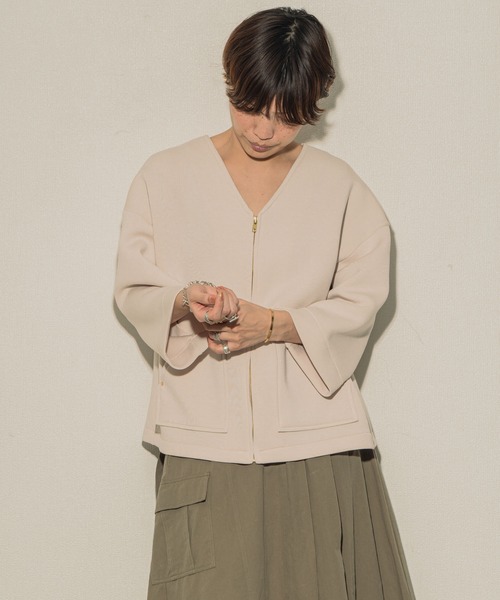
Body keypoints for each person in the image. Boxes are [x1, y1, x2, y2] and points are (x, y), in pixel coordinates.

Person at [114, 7, 415, 600]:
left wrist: (276, 325)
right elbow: (134, 287)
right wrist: (185, 302)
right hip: (202, 437)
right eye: (250, 106)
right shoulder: (164, 176)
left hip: (316, 440)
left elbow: (363, 298)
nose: (263, 130)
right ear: (230, 81)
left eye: (287, 116)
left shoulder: (340, 187)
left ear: (316, 101)